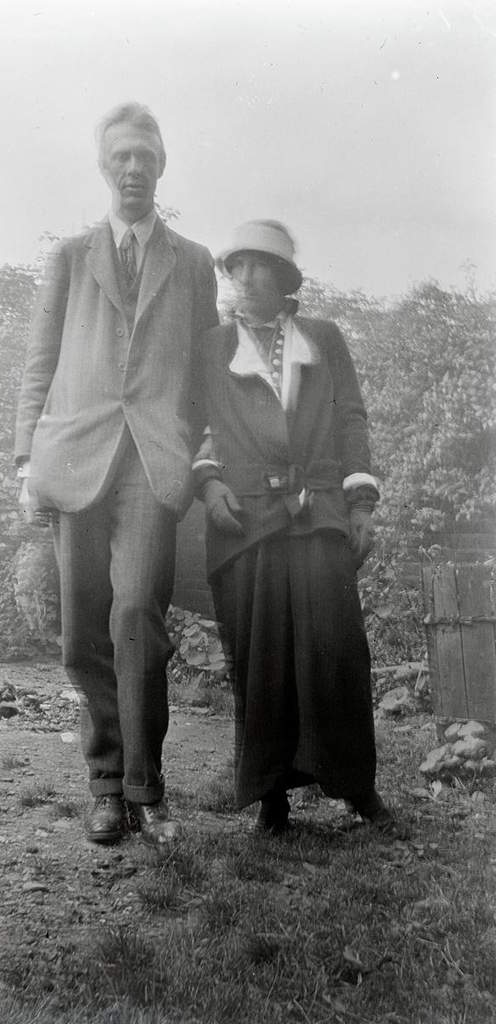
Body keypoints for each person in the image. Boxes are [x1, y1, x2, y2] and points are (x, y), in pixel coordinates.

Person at [15, 102, 218, 846]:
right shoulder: (69, 257)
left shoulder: (192, 262)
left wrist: (200, 455)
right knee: (79, 637)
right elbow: (40, 366)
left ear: (160, 169)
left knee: (136, 615)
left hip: (151, 464)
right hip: (73, 458)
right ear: (105, 169)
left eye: (146, 158)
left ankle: (145, 786)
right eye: (121, 158)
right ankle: (104, 785)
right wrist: (24, 461)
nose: (134, 170)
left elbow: (203, 371)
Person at [194, 219, 403, 837]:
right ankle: (271, 801)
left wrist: (359, 504)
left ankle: (358, 790)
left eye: (262, 266)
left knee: (336, 652)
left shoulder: (323, 338)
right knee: (260, 658)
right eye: (237, 267)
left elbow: (352, 419)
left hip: (319, 515)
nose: (247, 278)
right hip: (246, 520)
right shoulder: (211, 348)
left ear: (286, 279)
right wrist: (209, 486)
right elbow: (196, 426)